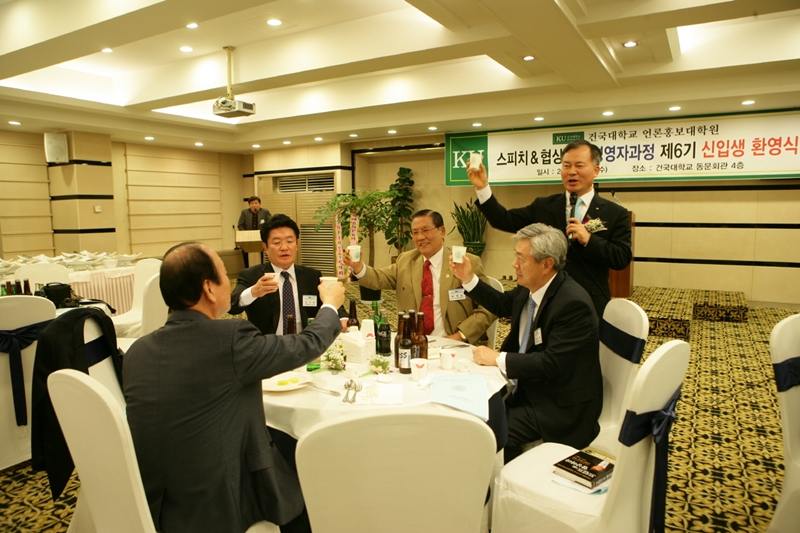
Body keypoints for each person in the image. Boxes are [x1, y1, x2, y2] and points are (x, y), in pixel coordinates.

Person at [123, 242, 346, 533]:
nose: (229, 283)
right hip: (219, 502)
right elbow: (306, 345)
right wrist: (329, 305)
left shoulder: (137, 351)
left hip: (154, 505)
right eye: (224, 275)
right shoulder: (228, 339)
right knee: (307, 481)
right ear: (209, 288)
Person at [450, 223, 602, 464]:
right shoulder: (531, 288)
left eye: (521, 258)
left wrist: (498, 358)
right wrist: (468, 279)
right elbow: (502, 304)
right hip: (528, 387)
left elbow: (552, 363)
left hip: (557, 404)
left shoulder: (573, 304)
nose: (514, 264)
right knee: (468, 411)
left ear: (546, 264)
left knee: (492, 430)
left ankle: (502, 481)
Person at [467, 139, 632, 317]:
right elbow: (503, 220)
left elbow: (621, 257)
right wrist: (482, 187)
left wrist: (589, 240)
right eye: (566, 166)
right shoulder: (544, 206)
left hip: (588, 303)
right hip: (544, 300)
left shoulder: (615, 213)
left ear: (596, 170)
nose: (572, 171)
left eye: (579, 165)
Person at [343, 209, 495, 345]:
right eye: (415, 232)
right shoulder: (406, 260)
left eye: (426, 230)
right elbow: (379, 278)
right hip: (413, 342)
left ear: (442, 231)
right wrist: (358, 266)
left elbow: (489, 306)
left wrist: (460, 335)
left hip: (455, 343)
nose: (420, 237)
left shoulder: (464, 262)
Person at [230, 214, 349, 334]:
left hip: (306, 341)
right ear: (265, 247)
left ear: (296, 244)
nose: (284, 247)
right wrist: (253, 292)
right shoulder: (252, 275)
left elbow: (333, 302)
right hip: (267, 343)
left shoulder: (312, 276)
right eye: (277, 242)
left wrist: (342, 317)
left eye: (289, 241)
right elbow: (232, 306)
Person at [237, 196, 271, 267]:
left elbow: (270, 224)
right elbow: (240, 225)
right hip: (247, 240)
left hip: (260, 240)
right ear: (249, 205)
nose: (254, 205)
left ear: (260, 204)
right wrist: (246, 234)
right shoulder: (244, 212)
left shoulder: (265, 212)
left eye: (256, 203)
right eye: (252, 203)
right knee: (247, 259)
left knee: (261, 258)